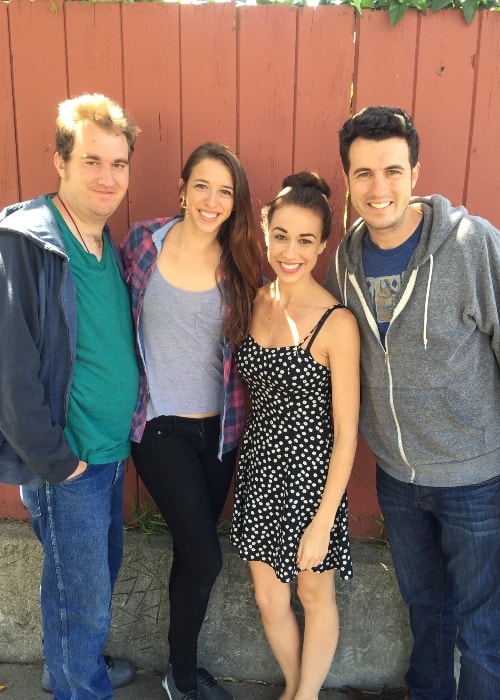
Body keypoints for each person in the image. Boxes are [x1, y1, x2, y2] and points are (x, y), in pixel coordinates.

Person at [325, 105, 500, 700]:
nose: (380, 189)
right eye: (364, 174)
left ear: (416, 172)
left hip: (476, 477)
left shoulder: (473, 246)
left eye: (393, 171)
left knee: (482, 629)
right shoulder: (345, 260)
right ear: (347, 180)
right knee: (425, 609)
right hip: (399, 478)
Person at [0, 93, 140, 700]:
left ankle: (81, 671)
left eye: (118, 163)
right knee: (75, 604)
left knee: (94, 586)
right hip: (68, 465)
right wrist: (54, 461)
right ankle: (81, 687)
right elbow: (11, 368)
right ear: (61, 161)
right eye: (91, 161)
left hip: (107, 458)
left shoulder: (106, 242)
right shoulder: (28, 240)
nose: (107, 177)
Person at [120, 142, 262, 700]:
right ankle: (182, 677)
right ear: (182, 188)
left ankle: (178, 669)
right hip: (158, 428)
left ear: (236, 202)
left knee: (191, 550)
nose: (212, 200)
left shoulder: (241, 261)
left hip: (220, 433)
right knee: (205, 556)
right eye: (202, 185)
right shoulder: (143, 243)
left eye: (225, 191)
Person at [230, 172, 360, 700]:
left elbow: (347, 435)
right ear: (265, 231)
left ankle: (304, 697)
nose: (291, 250)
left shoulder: (336, 322)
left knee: (313, 592)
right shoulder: (255, 300)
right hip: (259, 472)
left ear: (323, 244)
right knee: (268, 598)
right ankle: (292, 685)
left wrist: (324, 521)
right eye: (281, 235)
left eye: (306, 240)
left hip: (312, 481)